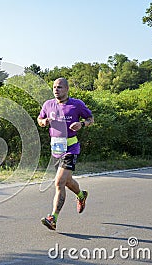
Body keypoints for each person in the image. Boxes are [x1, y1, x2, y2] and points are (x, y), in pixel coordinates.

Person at [37, 78, 94, 230]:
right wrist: (43, 122)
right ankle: (81, 195)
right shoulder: (48, 104)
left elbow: (90, 119)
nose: (56, 90)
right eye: (54, 87)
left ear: (67, 89)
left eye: (60, 87)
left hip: (71, 148)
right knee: (67, 181)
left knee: (59, 182)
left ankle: (53, 218)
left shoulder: (76, 104)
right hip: (56, 149)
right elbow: (40, 118)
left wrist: (82, 124)